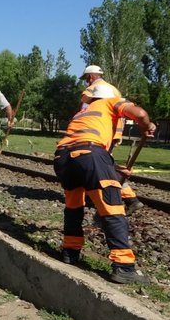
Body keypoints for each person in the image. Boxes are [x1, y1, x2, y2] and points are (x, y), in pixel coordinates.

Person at [53, 83, 155, 284]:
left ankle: (70, 252)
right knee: (113, 210)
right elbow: (141, 114)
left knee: (74, 207)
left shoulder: (82, 112)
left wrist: (115, 169)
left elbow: (84, 147)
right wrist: (146, 127)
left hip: (63, 158)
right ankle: (124, 267)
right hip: (90, 155)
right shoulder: (111, 102)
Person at [79, 65, 143, 214]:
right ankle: (91, 197)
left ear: (91, 76)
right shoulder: (113, 89)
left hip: (96, 134)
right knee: (101, 165)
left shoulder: (96, 89)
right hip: (111, 132)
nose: (86, 82)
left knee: (102, 167)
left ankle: (130, 199)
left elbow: (83, 108)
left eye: (86, 79)